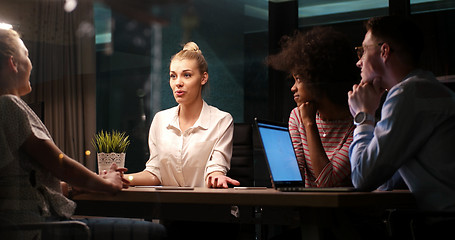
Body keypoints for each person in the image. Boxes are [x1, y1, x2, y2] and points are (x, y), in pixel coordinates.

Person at [0, 26, 166, 239]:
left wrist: (91, 181)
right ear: (13, 63)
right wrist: (107, 185)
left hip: (27, 227)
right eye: (27, 55)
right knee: (156, 233)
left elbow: (31, 184)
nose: (31, 64)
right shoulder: (9, 105)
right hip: (37, 229)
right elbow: (60, 164)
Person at [348, 15, 455, 237]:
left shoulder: (408, 94)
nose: (358, 61)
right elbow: (385, 183)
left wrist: (364, 116)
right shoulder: (424, 88)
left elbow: (362, 177)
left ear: (384, 51)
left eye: (362, 51)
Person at [124, 42, 239, 188]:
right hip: (169, 206)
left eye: (187, 75)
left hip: (205, 206)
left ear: (203, 78)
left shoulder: (221, 120)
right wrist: (125, 178)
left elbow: (216, 168)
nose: (178, 83)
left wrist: (217, 177)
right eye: (173, 76)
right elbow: (154, 173)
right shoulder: (160, 120)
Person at [267, 27, 359, 187]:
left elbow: (327, 181)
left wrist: (309, 124)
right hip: (310, 207)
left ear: (319, 81)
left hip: (345, 209)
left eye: (299, 79)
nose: (293, 88)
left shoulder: (357, 123)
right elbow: (295, 176)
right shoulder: (297, 115)